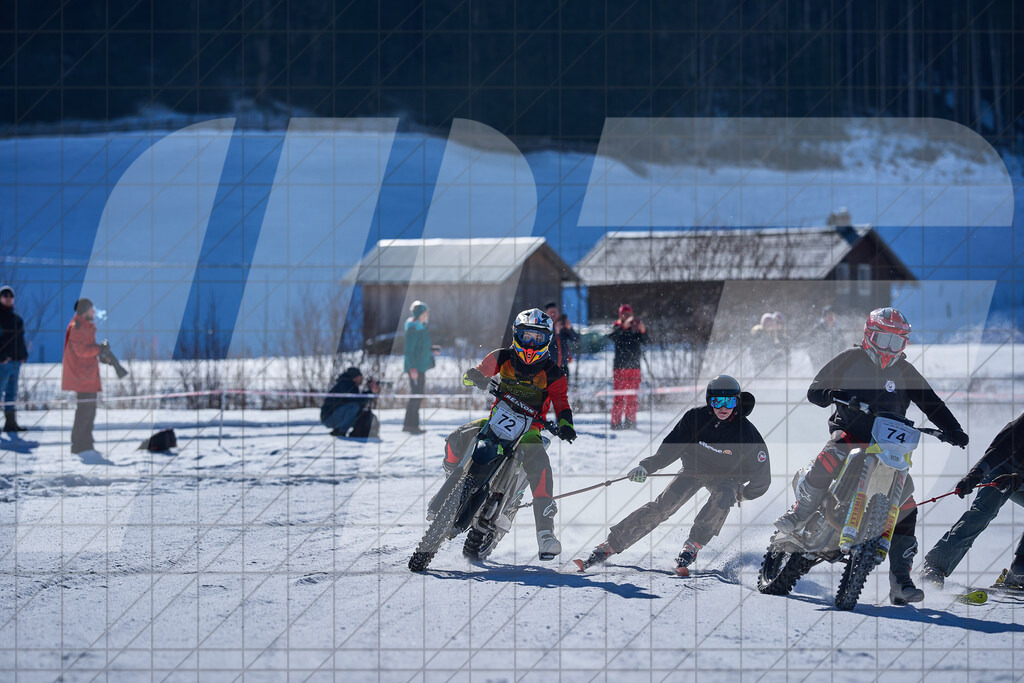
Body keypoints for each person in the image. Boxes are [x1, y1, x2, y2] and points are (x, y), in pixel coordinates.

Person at [774, 307, 969, 605]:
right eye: (884, 340)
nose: (890, 349)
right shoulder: (851, 358)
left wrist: (953, 430)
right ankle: (800, 511)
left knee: (907, 503)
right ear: (868, 336)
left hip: (889, 447)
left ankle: (900, 581)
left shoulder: (905, 370)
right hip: (851, 433)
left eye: (896, 342)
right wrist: (829, 394)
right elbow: (815, 388)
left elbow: (934, 404)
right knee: (832, 454)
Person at [575, 375, 770, 574]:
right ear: (709, 401)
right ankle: (611, 545)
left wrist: (745, 493)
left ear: (737, 402)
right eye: (717, 401)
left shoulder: (747, 434)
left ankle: (692, 545)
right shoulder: (695, 418)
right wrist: (646, 467)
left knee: (724, 497)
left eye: (729, 401)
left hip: (728, 477)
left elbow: (762, 475)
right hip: (695, 469)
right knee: (664, 506)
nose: (723, 407)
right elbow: (670, 449)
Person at [456, 308, 577, 560]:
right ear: (516, 335)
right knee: (458, 437)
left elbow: (562, 404)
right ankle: (450, 489)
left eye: (538, 338)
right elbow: (479, 372)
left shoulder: (554, 374)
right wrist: (473, 376)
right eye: (527, 336)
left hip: (530, 429)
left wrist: (566, 425)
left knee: (541, 467)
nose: (532, 343)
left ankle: (546, 535)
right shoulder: (502, 357)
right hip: (496, 419)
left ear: (548, 340)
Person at [921, 413, 1024, 588]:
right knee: (983, 512)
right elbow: (999, 450)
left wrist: (1017, 481)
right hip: (1002, 468)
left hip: (1018, 480)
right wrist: (974, 476)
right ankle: (935, 567)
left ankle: (1019, 572)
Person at [62, 298, 104, 456]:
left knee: (89, 411)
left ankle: (86, 443)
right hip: (82, 377)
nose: (94, 312)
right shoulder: (77, 327)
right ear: (85, 311)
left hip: (88, 376)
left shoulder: (85, 327)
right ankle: (79, 444)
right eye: (92, 309)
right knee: (84, 412)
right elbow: (81, 352)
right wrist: (98, 349)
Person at [608, 304, 647, 430]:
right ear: (620, 316)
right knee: (619, 396)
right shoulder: (616, 327)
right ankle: (616, 422)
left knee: (632, 396)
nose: (627, 317)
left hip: (634, 367)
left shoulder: (635, 327)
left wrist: (642, 331)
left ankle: (630, 421)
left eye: (629, 314)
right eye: (624, 314)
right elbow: (612, 337)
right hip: (620, 367)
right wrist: (623, 327)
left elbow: (646, 341)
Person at [321, 366, 380, 438]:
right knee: (354, 407)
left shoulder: (349, 385)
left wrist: (370, 391)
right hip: (329, 418)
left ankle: (344, 430)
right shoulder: (345, 385)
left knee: (362, 413)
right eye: (360, 377)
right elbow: (357, 401)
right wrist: (370, 392)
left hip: (334, 416)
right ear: (355, 377)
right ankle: (340, 431)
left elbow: (359, 402)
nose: (362, 380)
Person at [0, 285, 29, 432]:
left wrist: (23, 355)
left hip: (16, 362)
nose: (8, 298)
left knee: (11, 393)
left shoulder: (17, 319)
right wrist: (2, 357)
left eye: (10, 296)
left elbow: (20, 339)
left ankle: (10, 423)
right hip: (3, 363)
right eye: (5, 295)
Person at [403, 300, 432, 435]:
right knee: (416, 396)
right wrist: (412, 368)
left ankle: (411, 425)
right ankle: (410, 425)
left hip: (421, 368)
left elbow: (422, 347)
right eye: (425, 312)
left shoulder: (422, 327)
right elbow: (409, 351)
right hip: (415, 369)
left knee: (418, 396)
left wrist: (432, 350)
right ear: (420, 313)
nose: (427, 315)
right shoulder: (413, 328)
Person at [544, 300, 580, 384]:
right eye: (551, 312)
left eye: (555, 312)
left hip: (563, 365)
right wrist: (555, 332)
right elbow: (545, 343)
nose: (553, 315)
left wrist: (569, 328)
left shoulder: (562, 324)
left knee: (563, 392)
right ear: (546, 314)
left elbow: (576, 339)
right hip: (549, 365)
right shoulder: (544, 326)